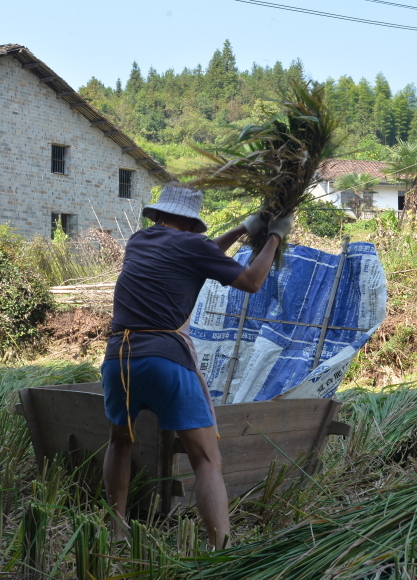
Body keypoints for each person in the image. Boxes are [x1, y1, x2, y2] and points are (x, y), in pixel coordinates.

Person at [101, 185, 293, 549]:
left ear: (158, 216)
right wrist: (274, 239)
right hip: (164, 359)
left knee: (120, 442)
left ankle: (115, 528)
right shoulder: (194, 245)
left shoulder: (139, 241)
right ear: (193, 224)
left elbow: (196, 257)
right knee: (206, 458)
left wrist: (240, 231)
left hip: (118, 358)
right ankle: (220, 547)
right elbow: (251, 282)